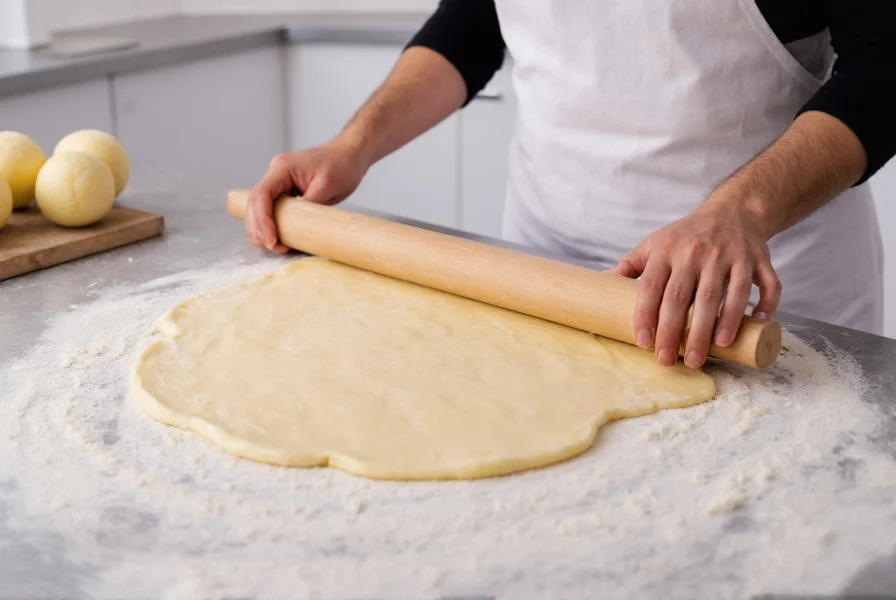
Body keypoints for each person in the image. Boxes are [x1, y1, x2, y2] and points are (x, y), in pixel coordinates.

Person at [245, 1, 896, 369]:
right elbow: (472, 25)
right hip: (546, 275)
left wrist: (740, 211)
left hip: (751, 295)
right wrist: (352, 147)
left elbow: (885, 64)